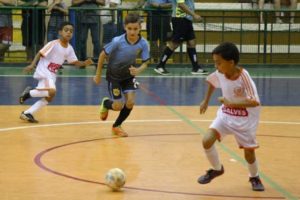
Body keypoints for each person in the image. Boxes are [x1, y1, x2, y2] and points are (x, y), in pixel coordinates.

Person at [197, 42, 265, 191]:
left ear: (231, 62)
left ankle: (254, 177)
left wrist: (231, 102)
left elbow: (254, 101)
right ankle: (216, 169)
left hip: (245, 120)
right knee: (207, 140)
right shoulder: (220, 73)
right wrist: (205, 101)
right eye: (215, 62)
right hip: (226, 115)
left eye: (219, 63)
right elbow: (212, 82)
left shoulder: (244, 77)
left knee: (249, 153)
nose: (216, 66)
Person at [19, 22, 93, 123]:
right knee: (52, 91)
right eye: (66, 30)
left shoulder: (70, 48)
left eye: (71, 31)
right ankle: (29, 93)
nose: (69, 33)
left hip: (52, 74)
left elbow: (74, 62)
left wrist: (84, 63)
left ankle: (28, 112)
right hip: (44, 71)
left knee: (50, 97)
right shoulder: (53, 44)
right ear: (60, 32)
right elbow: (40, 53)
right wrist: (32, 65)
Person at [93, 12, 150, 137]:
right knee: (118, 106)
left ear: (140, 28)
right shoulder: (117, 41)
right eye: (129, 29)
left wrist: (138, 70)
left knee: (130, 103)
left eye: (135, 29)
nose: (132, 32)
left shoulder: (144, 43)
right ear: (125, 27)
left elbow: (146, 62)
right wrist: (98, 74)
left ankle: (116, 126)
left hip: (128, 76)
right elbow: (103, 55)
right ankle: (106, 103)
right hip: (114, 76)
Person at [153, 0, 208, 75]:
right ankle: (160, 66)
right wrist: (194, 15)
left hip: (187, 19)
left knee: (191, 42)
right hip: (180, 19)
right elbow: (181, 4)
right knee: (174, 44)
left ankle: (196, 67)